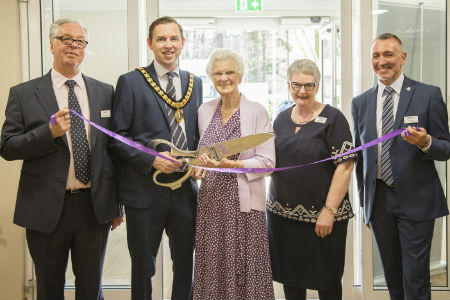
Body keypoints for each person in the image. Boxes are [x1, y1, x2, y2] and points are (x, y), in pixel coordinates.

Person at [0, 18, 122, 300]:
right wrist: (48, 132)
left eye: (79, 41)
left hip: (94, 207)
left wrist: (117, 203)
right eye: (65, 39)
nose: (73, 45)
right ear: (52, 44)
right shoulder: (24, 93)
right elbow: (8, 147)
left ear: (85, 49)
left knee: (91, 289)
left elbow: (111, 152)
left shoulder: (105, 92)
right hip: (45, 209)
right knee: (49, 287)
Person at [109, 16, 203, 300]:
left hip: (184, 191)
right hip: (143, 191)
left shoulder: (194, 82)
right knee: (142, 267)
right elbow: (117, 137)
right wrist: (150, 158)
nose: (168, 45)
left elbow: (197, 135)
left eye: (174, 38)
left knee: (186, 264)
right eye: (161, 39)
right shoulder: (131, 82)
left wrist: (199, 162)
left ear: (183, 43)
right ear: (150, 43)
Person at [351, 33, 450, 300]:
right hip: (379, 201)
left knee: (415, 278)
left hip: (416, 201)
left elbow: (446, 148)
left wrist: (426, 141)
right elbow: (362, 159)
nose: (382, 61)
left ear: (402, 58)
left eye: (388, 54)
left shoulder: (428, 95)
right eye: (376, 55)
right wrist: (365, 205)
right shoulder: (360, 103)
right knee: (392, 277)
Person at [266, 59, 355, 300]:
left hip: (323, 218)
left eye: (309, 85)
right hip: (282, 218)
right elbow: (269, 161)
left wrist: (329, 210)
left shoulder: (334, 118)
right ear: (288, 85)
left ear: (317, 86)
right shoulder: (281, 119)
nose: (302, 91)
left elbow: (345, 167)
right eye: (297, 85)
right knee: (291, 282)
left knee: (327, 282)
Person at [191, 49, 275, 300]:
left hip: (245, 208)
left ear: (240, 76)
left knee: (248, 270)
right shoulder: (203, 111)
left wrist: (235, 165)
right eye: (218, 73)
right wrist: (197, 168)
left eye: (229, 72)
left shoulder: (257, 111)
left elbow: (268, 162)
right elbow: (200, 156)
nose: (224, 77)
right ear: (211, 77)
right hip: (211, 206)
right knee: (213, 268)